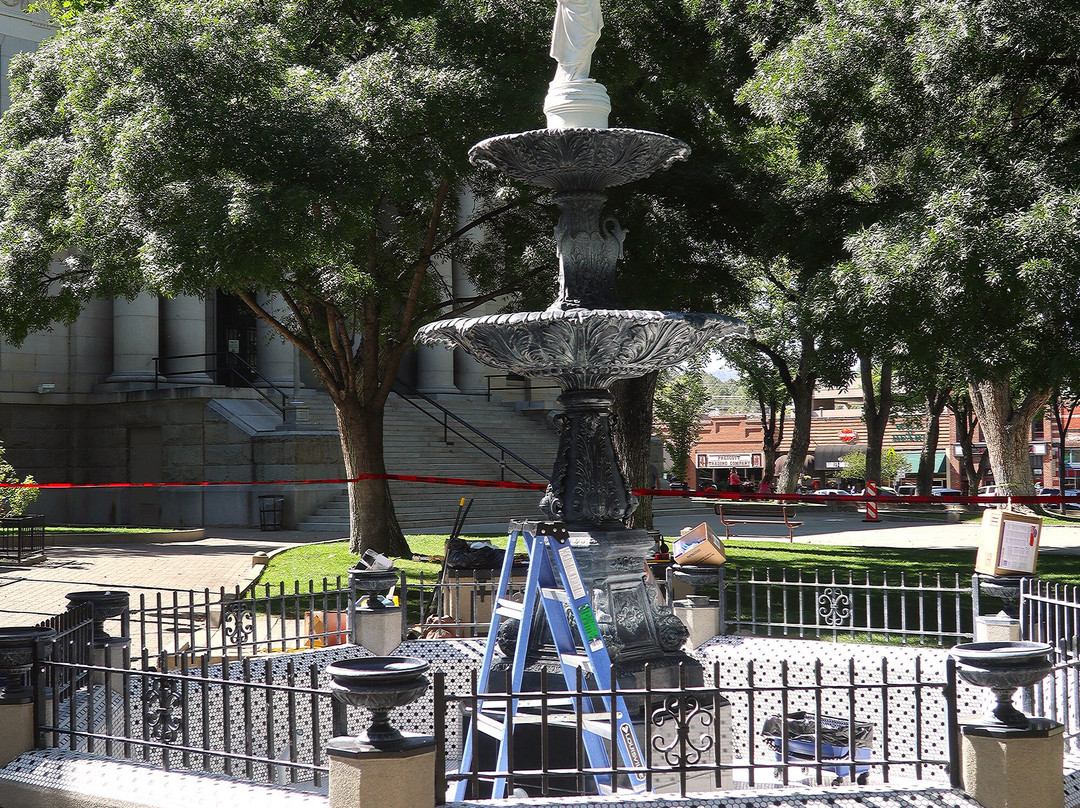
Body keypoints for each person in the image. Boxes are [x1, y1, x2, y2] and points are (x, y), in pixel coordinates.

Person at [550, 0, 603, 83]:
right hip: (573, 10)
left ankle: (581, 73)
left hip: (589, 7)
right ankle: (572, 74)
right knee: (577, 40)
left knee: (592, 35)